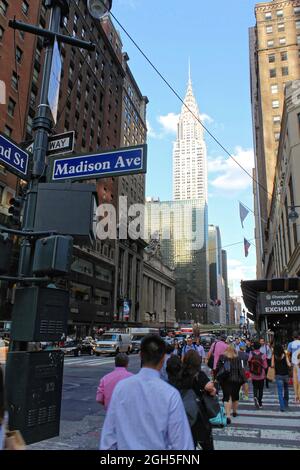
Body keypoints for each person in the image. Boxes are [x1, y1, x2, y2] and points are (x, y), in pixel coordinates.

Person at [100, 335, 194, 450]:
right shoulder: (170, 394)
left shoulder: (121, 388)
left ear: (140, 355)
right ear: (163, 359)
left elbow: (108, 440)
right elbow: (182, 445)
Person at [172, 350, 215, 450]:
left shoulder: (179, 374)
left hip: (183, 412)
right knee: (206, 443)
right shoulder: (199, 375)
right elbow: (210, 388)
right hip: (199, 414)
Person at [216, 344, 245, 424]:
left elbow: (218, 367)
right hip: (236, 380)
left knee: (227, 396)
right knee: (235, 396)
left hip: (225, 380)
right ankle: (235, 412)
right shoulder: (238, 358)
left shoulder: (222, 357)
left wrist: (216, 377)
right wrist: (244, 379)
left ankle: (228, 415)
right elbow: (241, 369)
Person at [271, 344, 291, 412]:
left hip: (278, 375)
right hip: (285, 375)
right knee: (286, 389)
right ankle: (286, 403)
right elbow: (289, 364)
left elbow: (272, 365)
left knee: (280, 392)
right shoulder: (285, 355)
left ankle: (282, 407)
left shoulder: (274, 355)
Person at [248, 341, 268, 409]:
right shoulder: (263, 354)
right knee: (261, 389)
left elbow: (249, 362)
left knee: (255, 387)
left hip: (253, 374)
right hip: (261, 374)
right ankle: (260, 402)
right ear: (260, 347)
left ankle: (255, 397)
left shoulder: (251, 353)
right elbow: (265, 366)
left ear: (254, 347)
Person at [287, 331, 300, 403]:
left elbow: (288, 354)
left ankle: (296, 397)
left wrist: (289, 362)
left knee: (295, 381)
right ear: (299, 336)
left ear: (292, 337)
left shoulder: (290, 344)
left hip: (294, 364)